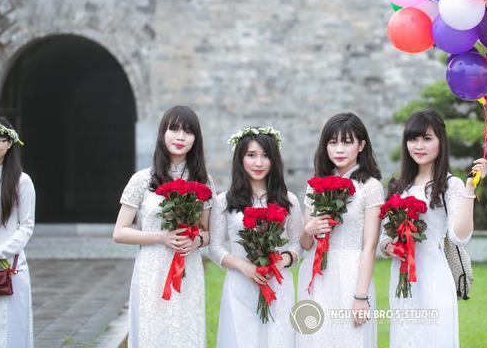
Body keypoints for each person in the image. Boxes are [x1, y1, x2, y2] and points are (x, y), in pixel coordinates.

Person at [380, 109, 487, 348]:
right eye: (413, 139)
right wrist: (388, 246)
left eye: (427, 139)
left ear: (441, 141)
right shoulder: (398, 186)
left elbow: (459, 237)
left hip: (434, 277)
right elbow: (384, 236)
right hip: (401, 279)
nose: (418, 146)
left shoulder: (450, 184)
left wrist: (470, 190)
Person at [113, 105, 216, 348]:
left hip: (188, 268)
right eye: (174, 129)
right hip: (152, 268)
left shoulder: (204, 181)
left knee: (185, 333)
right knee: (153, 333)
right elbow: (120, 232)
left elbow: (208, 231)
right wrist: (161, 237)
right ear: (163, 133)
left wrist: (197, 241)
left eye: (188, 132)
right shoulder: (142, 179)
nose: (180, 137)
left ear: (196, 139)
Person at [297, 112, 384, 347]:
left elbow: (370, 246)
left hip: (352, 273)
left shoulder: (370, 187)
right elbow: (305, 243)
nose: (339, 149)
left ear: (361, 145)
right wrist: (309, 228)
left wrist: (361, 296)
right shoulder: (315, 185)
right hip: (316, 274)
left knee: (350, 339)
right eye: (333, 142)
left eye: (347, 142)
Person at [209, 126, 301, 347]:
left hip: (277, 284)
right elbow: (214, 247)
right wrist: (244, 267)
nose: (259, 163)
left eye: (265, 156)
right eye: (251, 155)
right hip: (240, 284)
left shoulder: (288, 200)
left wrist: (281, 262)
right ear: (240, 158)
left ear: (274, 160)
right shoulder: (224, 201)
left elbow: (297, 244)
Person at [0, 116, 36, 348]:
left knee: (7, 332)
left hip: (8, 267)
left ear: (10, 143)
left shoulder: (21, 181)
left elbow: (27, 226)